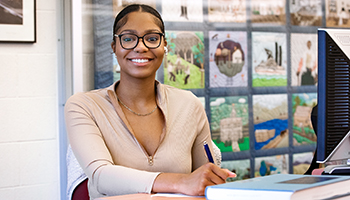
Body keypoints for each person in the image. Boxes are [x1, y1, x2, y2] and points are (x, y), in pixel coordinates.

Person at [64, 4, 235, 199]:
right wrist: (181, 182)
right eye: (128, 39)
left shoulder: (189, 104)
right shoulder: (83, 106)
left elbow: (205, 181)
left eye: (152, 38)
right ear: (114, 47)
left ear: (165, 45)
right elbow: (101, 176)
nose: (141, 47)